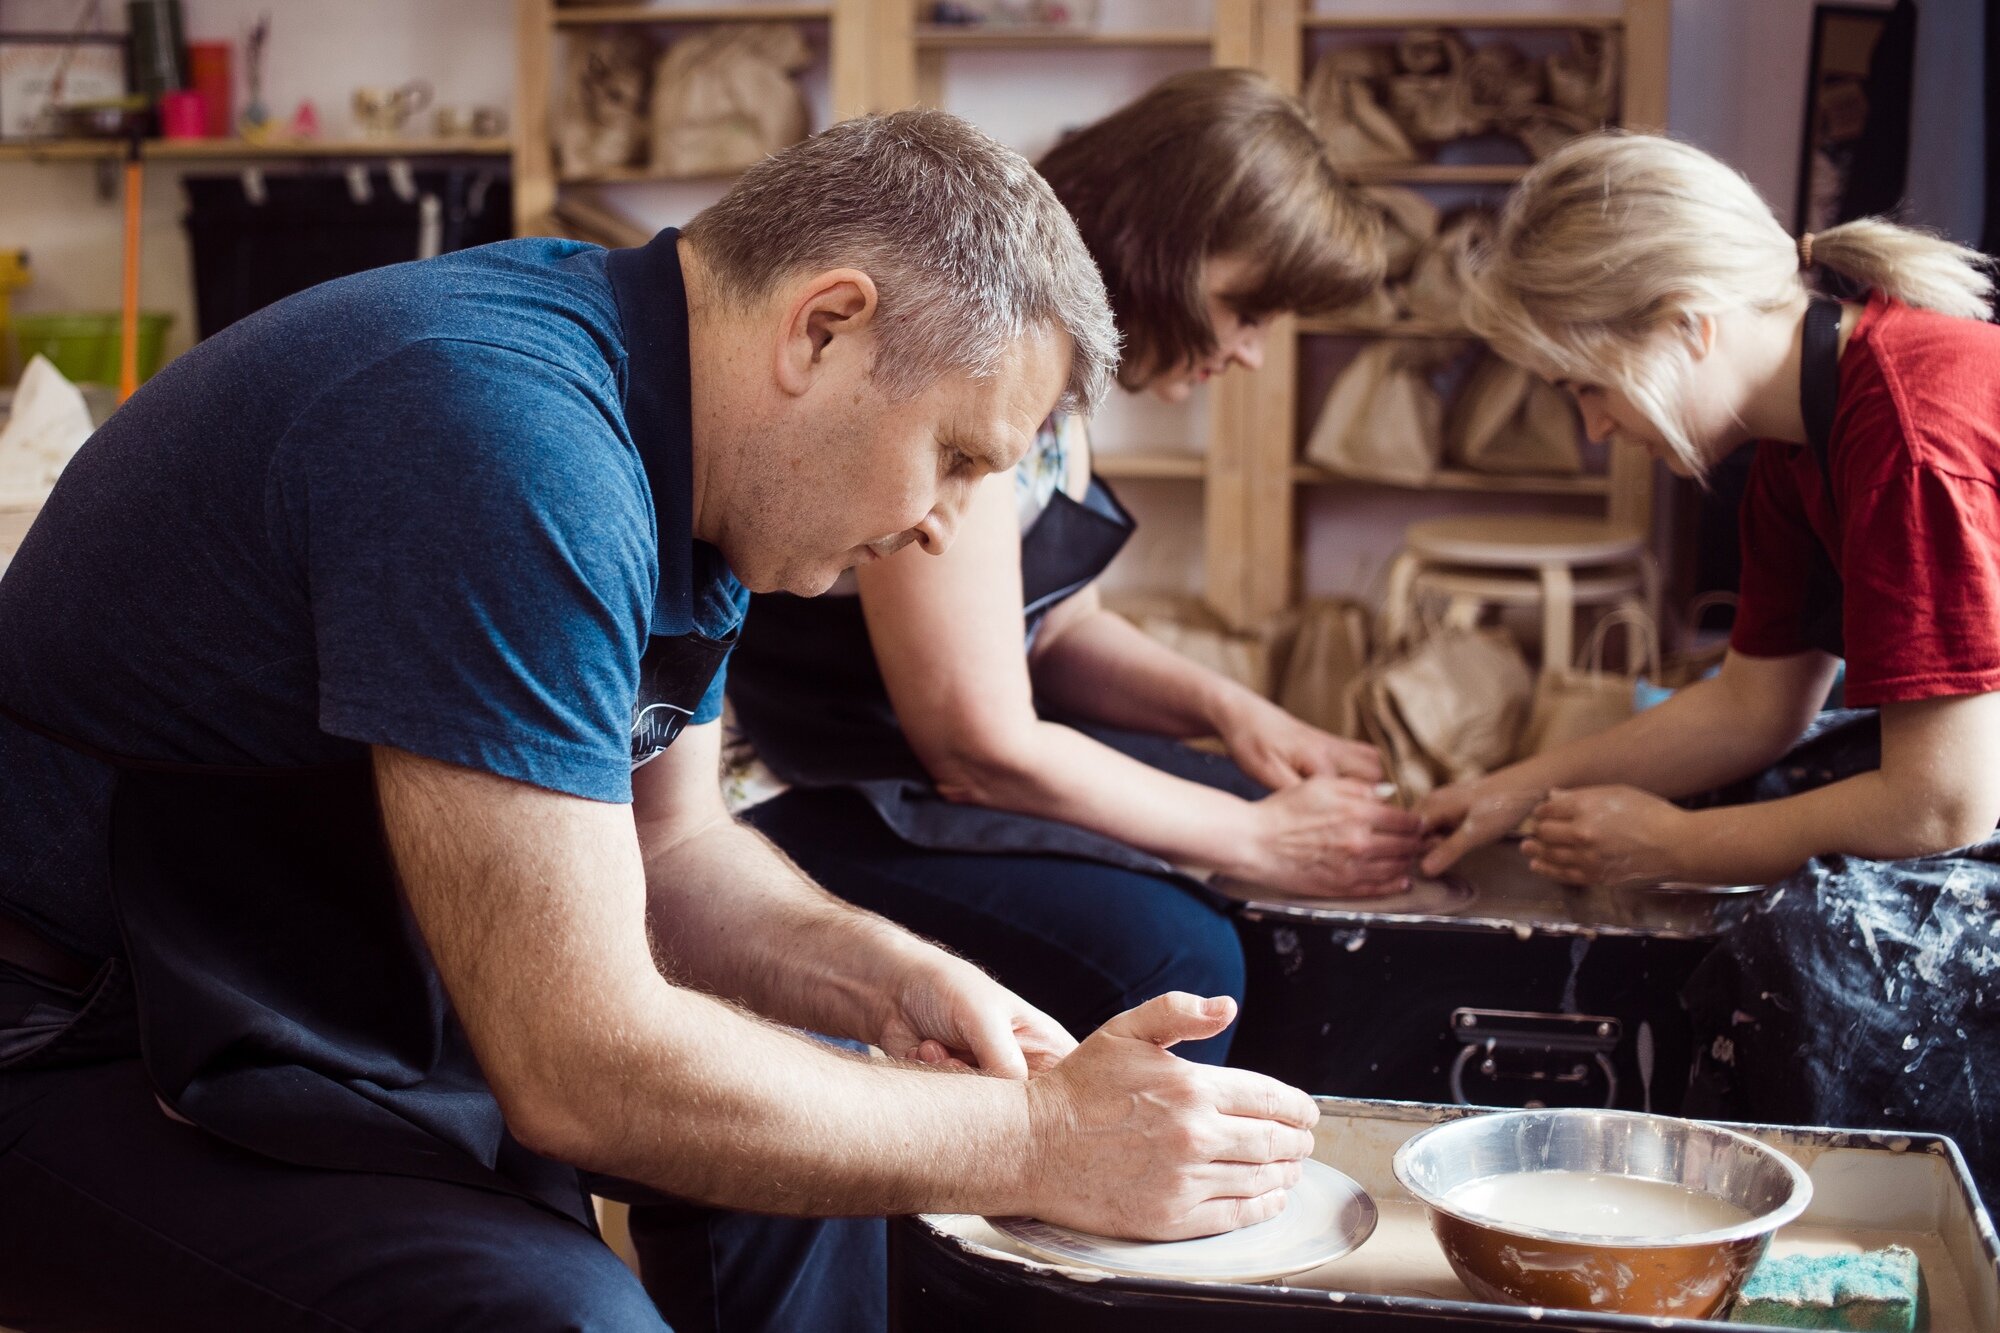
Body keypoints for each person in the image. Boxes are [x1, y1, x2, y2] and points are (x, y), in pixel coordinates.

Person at [0, 110, 1324, 1333]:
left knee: (808, 1157)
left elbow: (673, 852)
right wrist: (1041, 1140)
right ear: (825, 329)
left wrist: (899, 980)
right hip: (82, 1037)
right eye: (962, 457)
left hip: (305, 983)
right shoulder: (505, 440)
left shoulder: (686, 444)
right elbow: (580, 1064)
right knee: (571, 1317)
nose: (943, 523)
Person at [726, 70, 1422, 1070]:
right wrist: (1254, 839)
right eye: (1244, 309)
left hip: (904, 757)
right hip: (793, 780)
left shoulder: (1057, 367)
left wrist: (1233, 713)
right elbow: (980, 746)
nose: (1251, 354)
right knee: (1179, 948)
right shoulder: (980, 354)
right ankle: (1107, 1199)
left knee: (1223, 806)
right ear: (1161, 246)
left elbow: (1055, 628)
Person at [1419, 130, 2000, 1200]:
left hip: (1967, 786)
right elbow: (1750, 709)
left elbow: (1944, 804)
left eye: (1584, 386)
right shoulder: (1793, 438)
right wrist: (1507, 790)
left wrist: (1675, 844)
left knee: (1802, 961)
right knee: (1784, 800)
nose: (1591, 428)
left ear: (1686, 324)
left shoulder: (1906, 429)